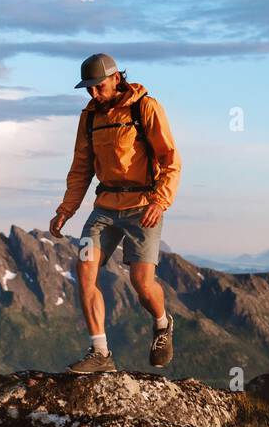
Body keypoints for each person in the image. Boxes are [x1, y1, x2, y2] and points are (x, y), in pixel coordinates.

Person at [49, 53, 181, 373]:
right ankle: (101, 354)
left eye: (99, 86)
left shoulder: (145, 107)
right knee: (84, 269)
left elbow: (169, 159)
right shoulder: (90, 117)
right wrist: (66, 209)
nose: (94, 94)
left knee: (141, 283)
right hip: (105, 207)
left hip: (143, 206)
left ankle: (163, 325)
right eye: (89, 89)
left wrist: (159, 201)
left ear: (115, 78)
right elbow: (81, 167)